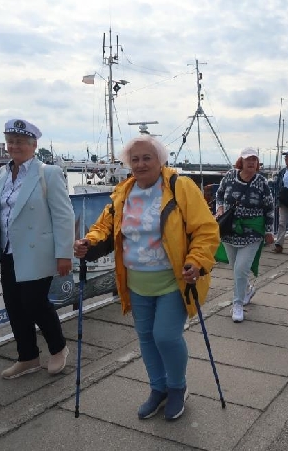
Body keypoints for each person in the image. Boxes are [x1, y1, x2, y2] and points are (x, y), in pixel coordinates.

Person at [73, 134, 219, 421]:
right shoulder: (122, 192)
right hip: (136, 282)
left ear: (160, 160)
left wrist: (196, 260)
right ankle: (158, 388)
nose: (140, 164)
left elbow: (206, 229)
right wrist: (89, 242)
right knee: (147, 338)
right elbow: (104, 228)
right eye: (135, 159)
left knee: (166, 336)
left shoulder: (180, 187)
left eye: (147, 158)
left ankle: (177, 388)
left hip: (173, 280)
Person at [0, 119, 74, 380]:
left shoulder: (48, 173)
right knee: (15, 306)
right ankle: (27, 357)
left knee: (35, 303)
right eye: (10, 141)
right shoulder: (0, 175)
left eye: (20, 142)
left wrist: (64, 254)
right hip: (8, 251)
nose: (14, 146)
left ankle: (58, 348)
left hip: (37, 252)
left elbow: (63, 216)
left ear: (33, 145)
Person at [215, 147, 274, 322]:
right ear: (241, 161)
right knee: (235, 268)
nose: (251, 162)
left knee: (241, 269)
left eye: (254, 160)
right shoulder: (229, 176)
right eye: (248, 159)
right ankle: (247, 289)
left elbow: (269, 207)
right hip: (229, 231)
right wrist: (219, 208)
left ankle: (238, 304)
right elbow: (219, 194)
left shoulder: (261, 182)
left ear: (257, 163)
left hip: (252, 233)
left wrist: (269, 231)